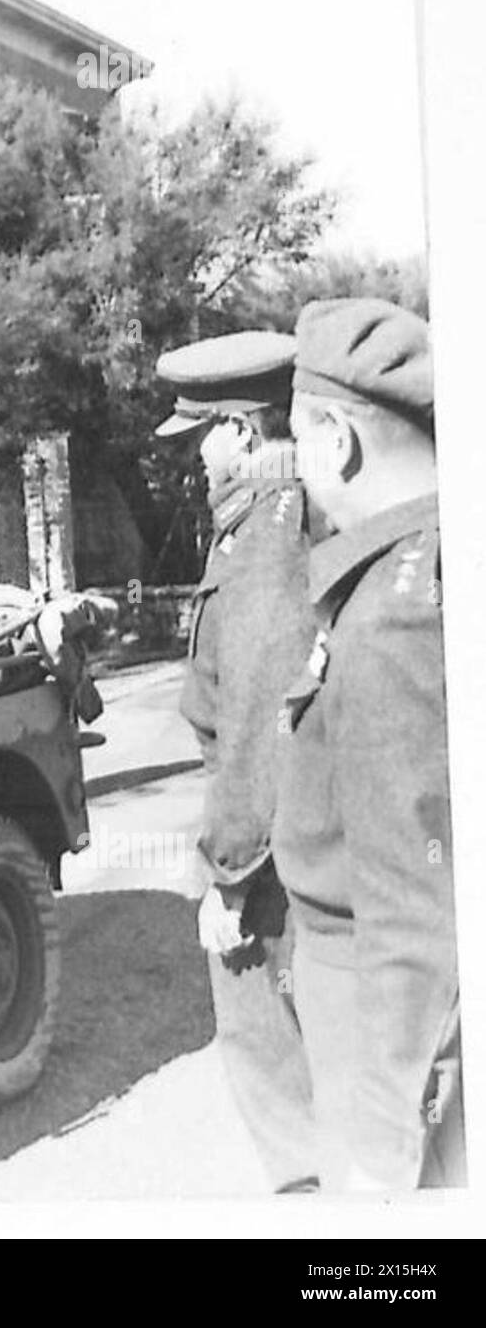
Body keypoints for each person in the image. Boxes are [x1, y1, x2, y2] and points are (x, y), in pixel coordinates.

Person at [272, 298, 461, 1191]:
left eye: (299, 446)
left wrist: (389, 1147)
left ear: (336, 441)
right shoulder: (427, 569)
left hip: (381, 1033)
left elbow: (418, 919)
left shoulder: (392, 615)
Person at [155, 329, 320, 1193]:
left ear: (247, 433)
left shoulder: (262, 544)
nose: (197, 461)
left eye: (204, 438)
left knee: (288, 1097)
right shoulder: (286, 514)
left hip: (276, 870)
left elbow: (257, 724)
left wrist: (227, 877)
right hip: (299, 847)